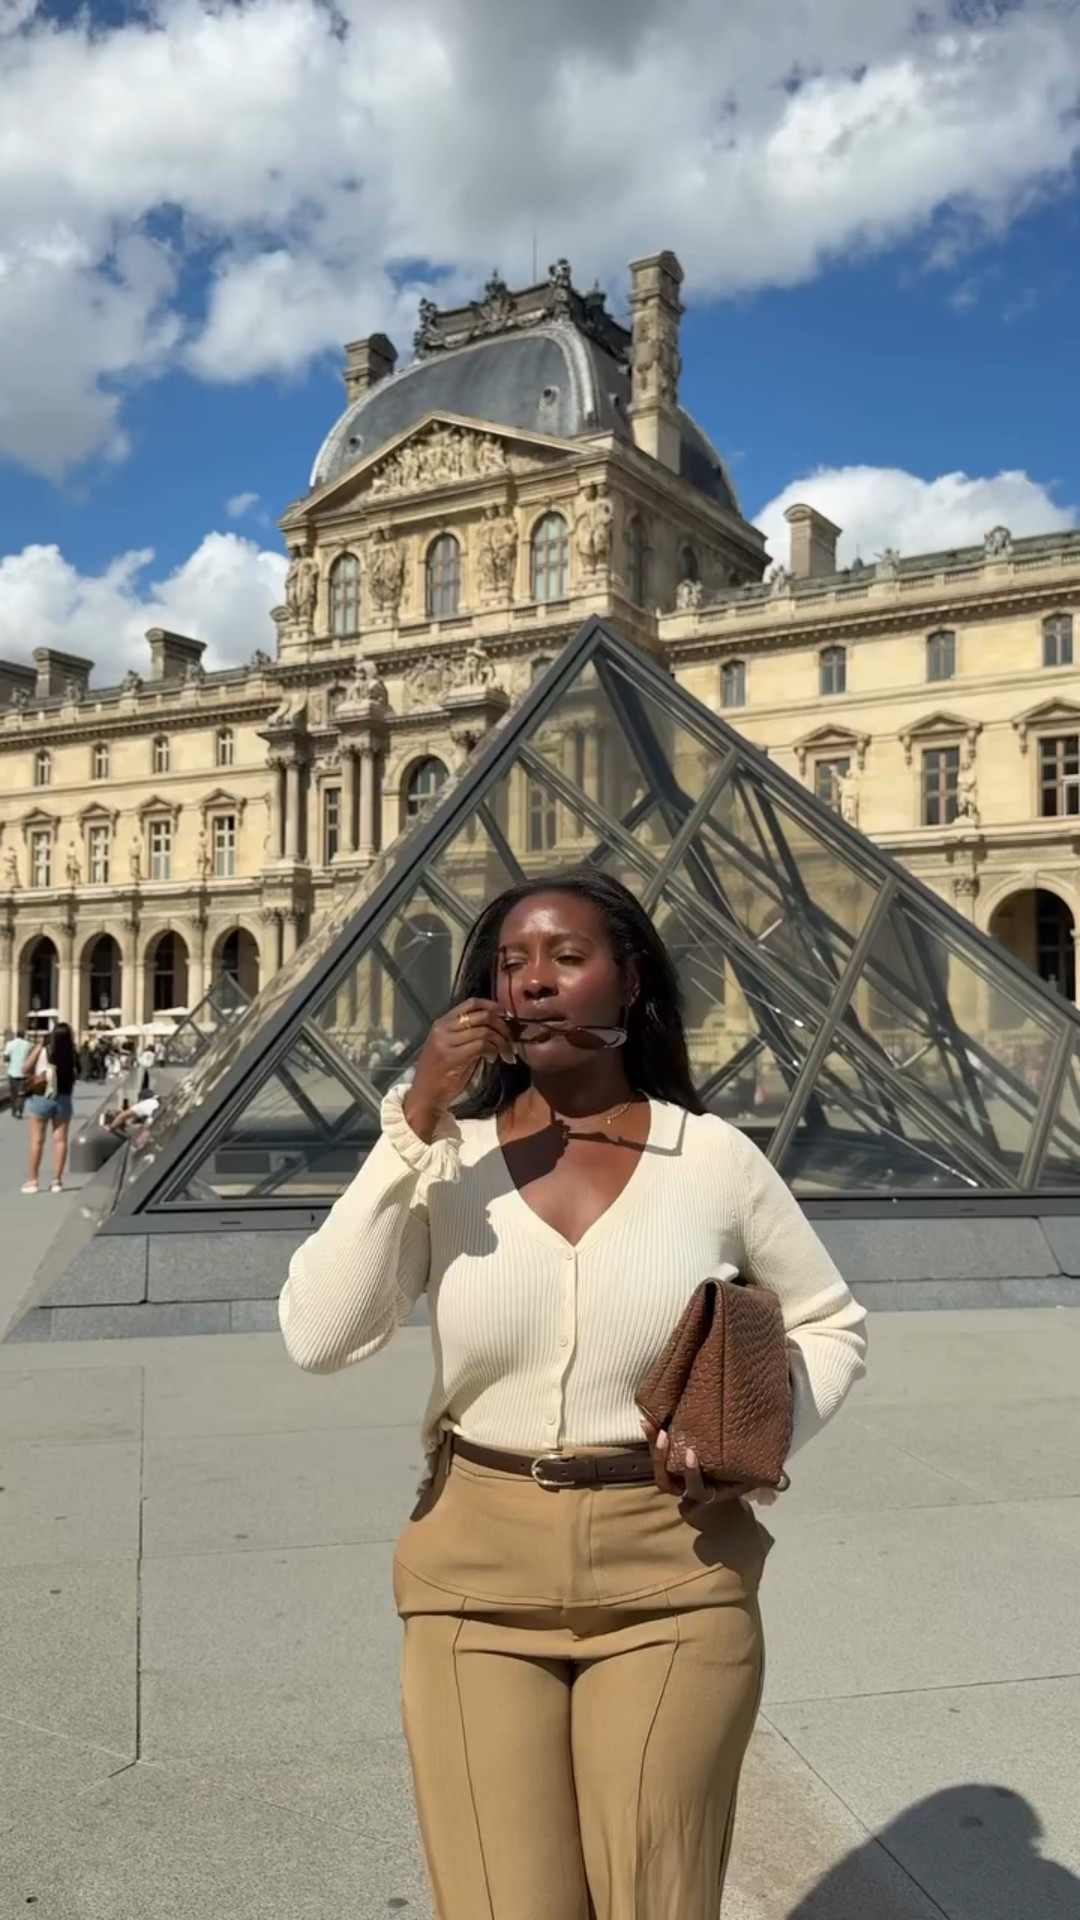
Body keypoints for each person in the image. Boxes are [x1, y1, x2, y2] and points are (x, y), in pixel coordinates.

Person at [279, 871, 868, 1920]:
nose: (535, 982)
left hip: (674, 1569)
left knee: (655, 1897)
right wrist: (411, 1122)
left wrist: (755, 1437)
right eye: (512, 964)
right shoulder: (446, 1158)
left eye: (565, 956)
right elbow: (319, 1335)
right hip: (473, 1579)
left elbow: (831, 1323)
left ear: (628, 979)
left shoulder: (713, 1159)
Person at [21, 1021, 77, 1194]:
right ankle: (56, 1181)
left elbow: (25, 1069)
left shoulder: (44, 1050)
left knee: (36, 1140)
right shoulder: (71, 1052)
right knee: (60, 1140)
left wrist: (38, 1047)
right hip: (64, 1098)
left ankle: (32, 1181)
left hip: (41, 1097)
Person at [4, 1028, 31, 1118]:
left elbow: (6, 1057)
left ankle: (14, 1110)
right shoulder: (28, 1045)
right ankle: (20, 1110)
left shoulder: (10, 1044)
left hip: (12, 1071)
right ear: (23, 1035)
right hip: (23, 1072)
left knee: (13, 1093)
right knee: (21, 1093)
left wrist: (9, 1062)